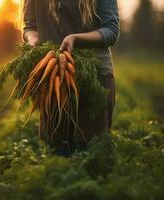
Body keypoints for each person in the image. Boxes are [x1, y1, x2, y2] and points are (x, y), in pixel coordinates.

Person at [22, 0, 119, 156]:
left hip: (94, 75)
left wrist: (76, 38)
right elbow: (30, 27)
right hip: (54, 73)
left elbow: (111, 30)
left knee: (92, 149)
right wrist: (33, 40)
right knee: (57, 149)